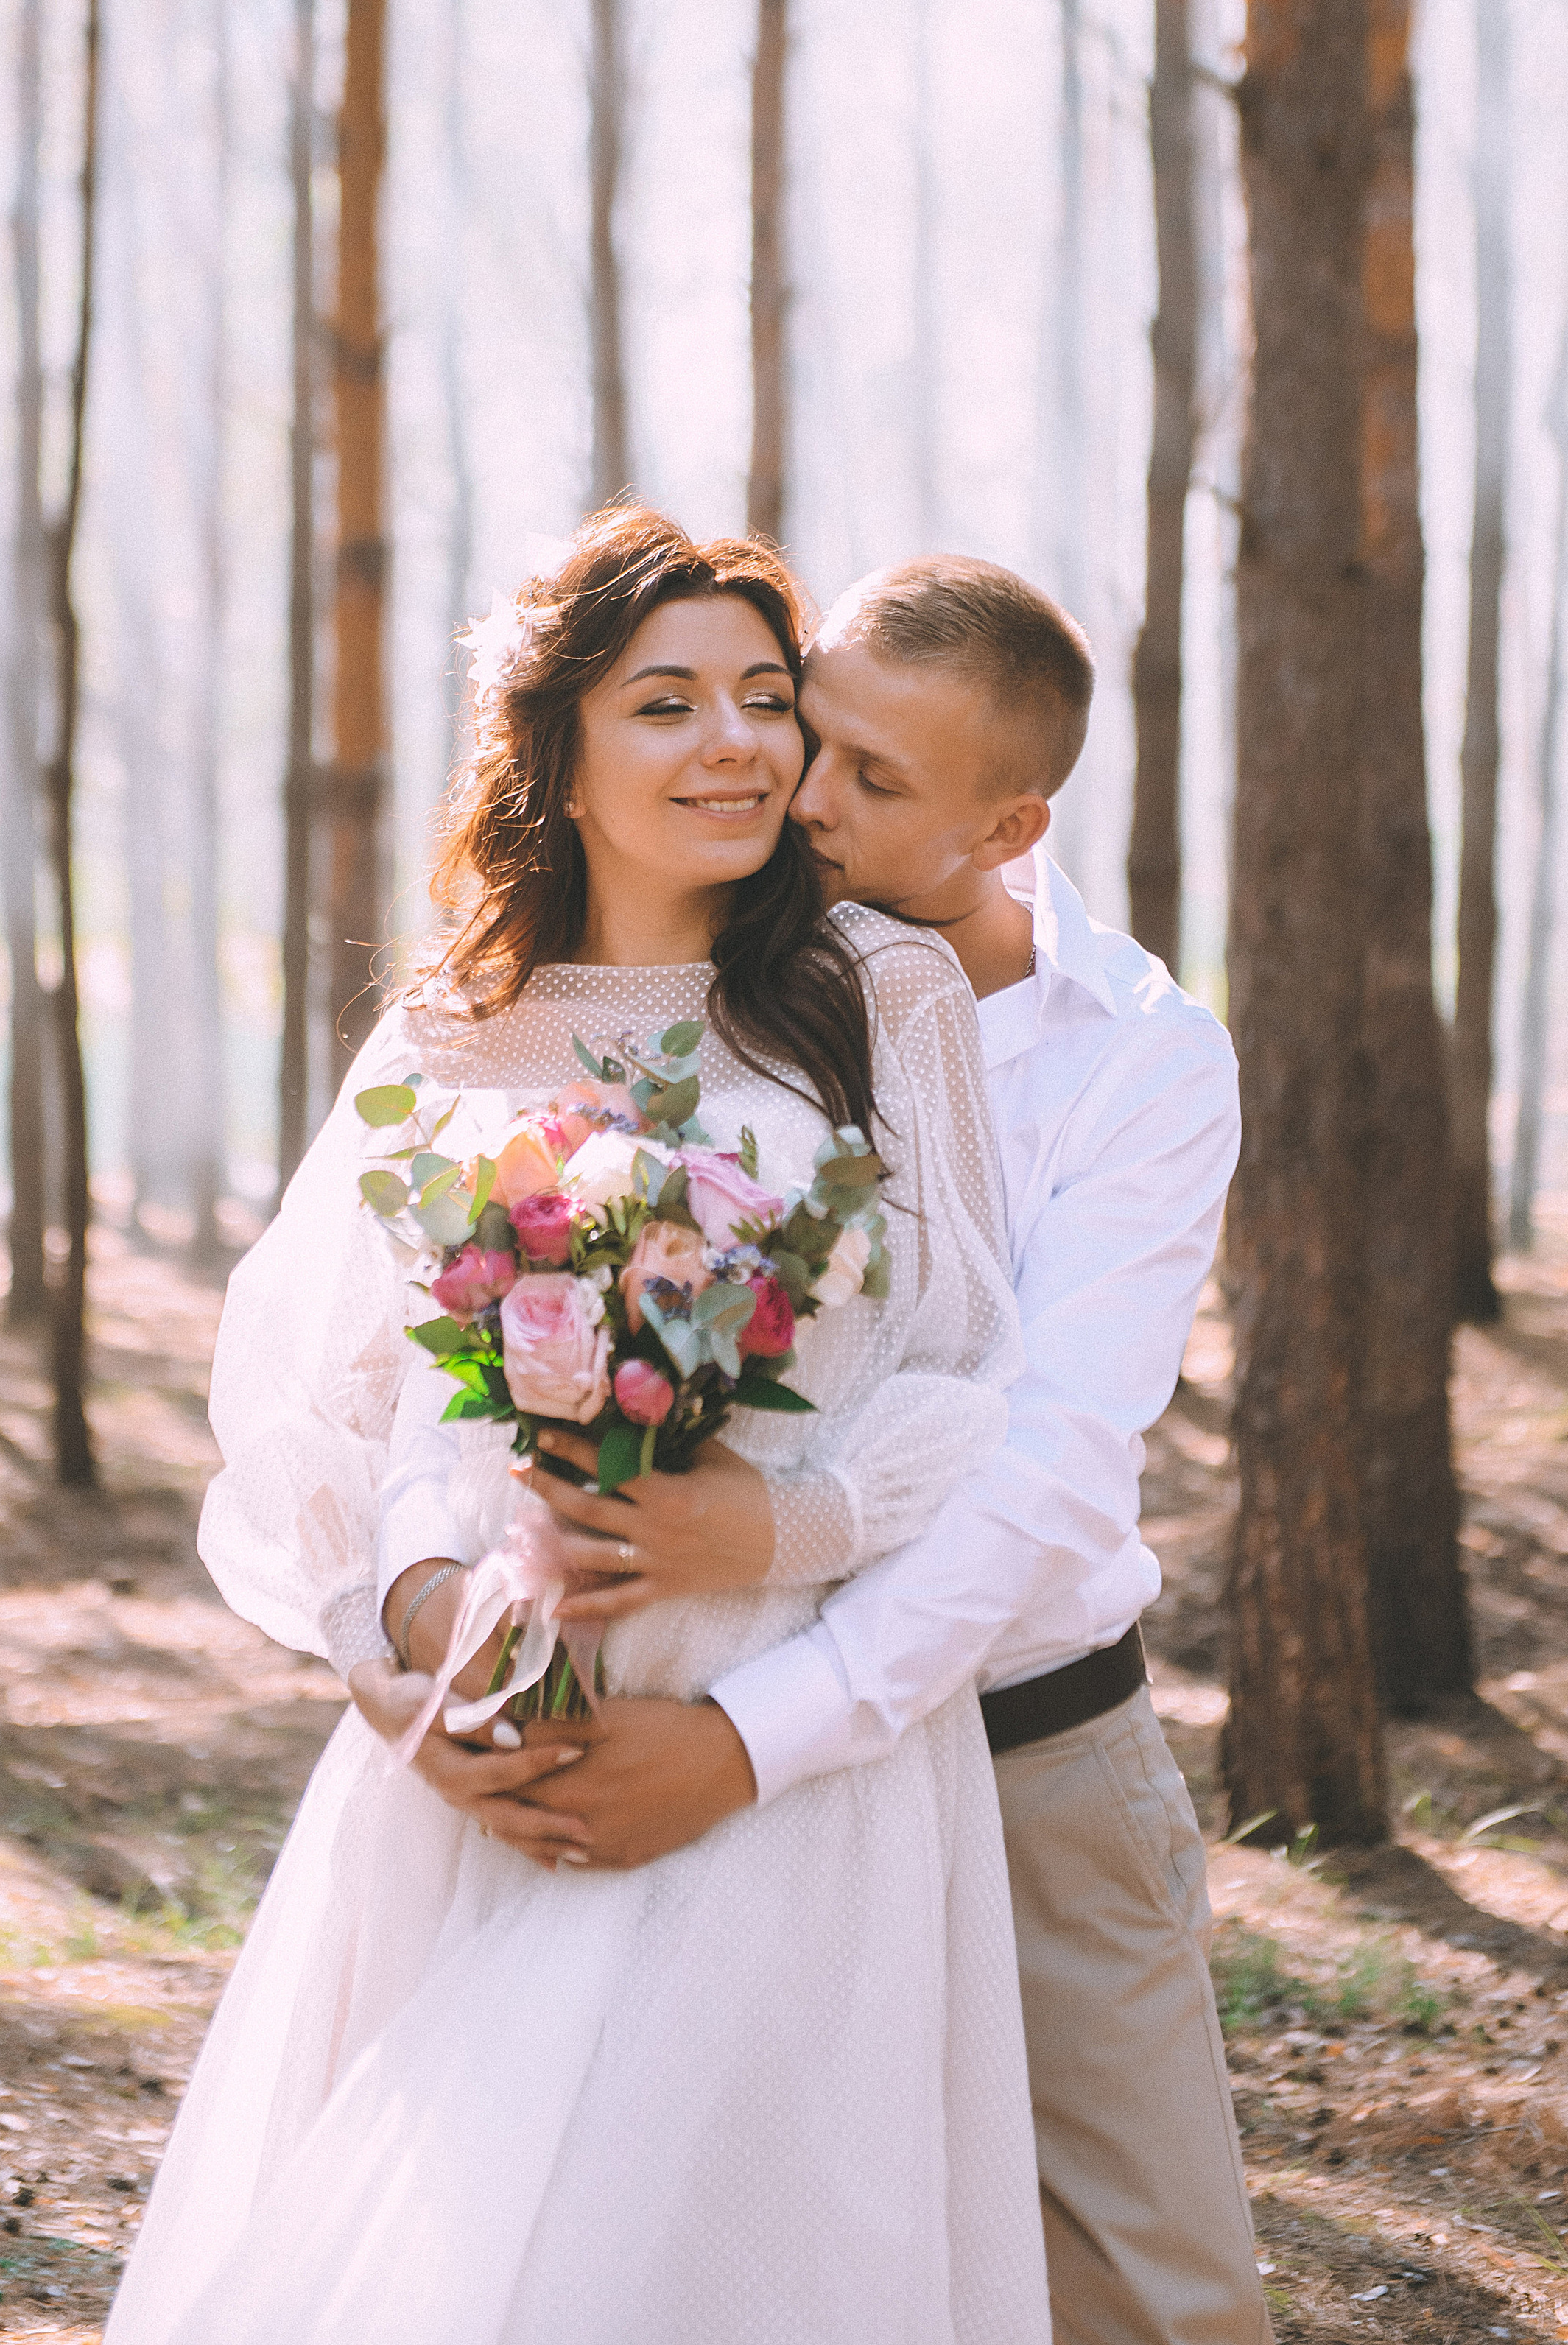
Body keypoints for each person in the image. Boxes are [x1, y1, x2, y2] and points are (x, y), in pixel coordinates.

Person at [105, 509, 1049, 2345]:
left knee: (729, 2246)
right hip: (497, 1725)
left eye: (766, 702)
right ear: (556, 749)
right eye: (668, 702)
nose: (737, 746)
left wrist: (780, 1533)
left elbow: (970, 1371)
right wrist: (412, 1632)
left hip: (784, 1736)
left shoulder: (879, 998)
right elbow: (345, 1395)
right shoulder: (452, 1038)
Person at [443, 557, 1269, 2345]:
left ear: (1010, 819)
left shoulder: (1135, 1062)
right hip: (718, 1764)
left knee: (1149, 2294)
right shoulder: (726, 994)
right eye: (809, 738)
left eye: (871, 783)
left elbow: (1045, 1469)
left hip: (1015, 1744)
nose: (799, 797)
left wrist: (750, 1739)